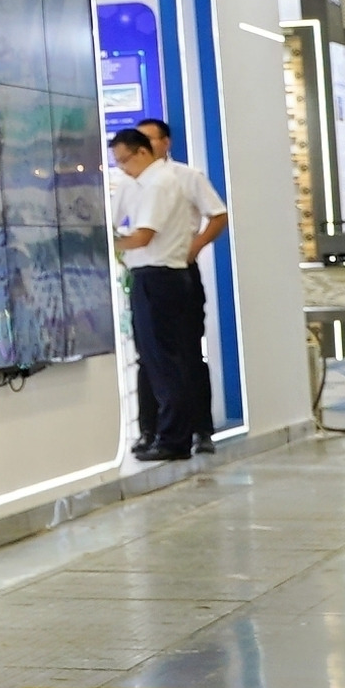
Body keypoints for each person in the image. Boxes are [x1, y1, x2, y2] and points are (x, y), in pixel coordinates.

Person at [109, 122, 225, 462]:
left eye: (124, 160)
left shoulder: (162, 182)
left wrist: (108, 245)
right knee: (153, 360)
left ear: (146, 150)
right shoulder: (139, 183)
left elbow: (143, 237)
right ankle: (159, 431)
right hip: (152, 275)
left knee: (170, 359)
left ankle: (178, 436)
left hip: (162, 276)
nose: (122, 168)